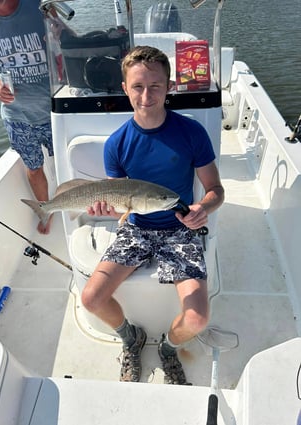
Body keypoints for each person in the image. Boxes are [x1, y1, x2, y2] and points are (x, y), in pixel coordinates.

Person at [81, 45, 224, 384]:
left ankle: (169, 349)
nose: (147, 95)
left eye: (155, 86)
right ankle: (131, 338)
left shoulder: (191, 133)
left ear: (169, 86)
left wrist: (202, 208)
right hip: (136, 228)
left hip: (179, 228)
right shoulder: (116, 143)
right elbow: (117, 199)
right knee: (91, 298)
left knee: (198, 318)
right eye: (138, 87)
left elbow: (216, 189)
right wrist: (104, 209)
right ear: (125, 89)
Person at [0, 0, 53, 234]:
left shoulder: (38, 6)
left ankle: (78, 209)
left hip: (55, 109)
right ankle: (47, 211)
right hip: (17, 116)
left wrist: (59, 32)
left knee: (66, 162)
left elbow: (69, 41)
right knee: (33, 168)